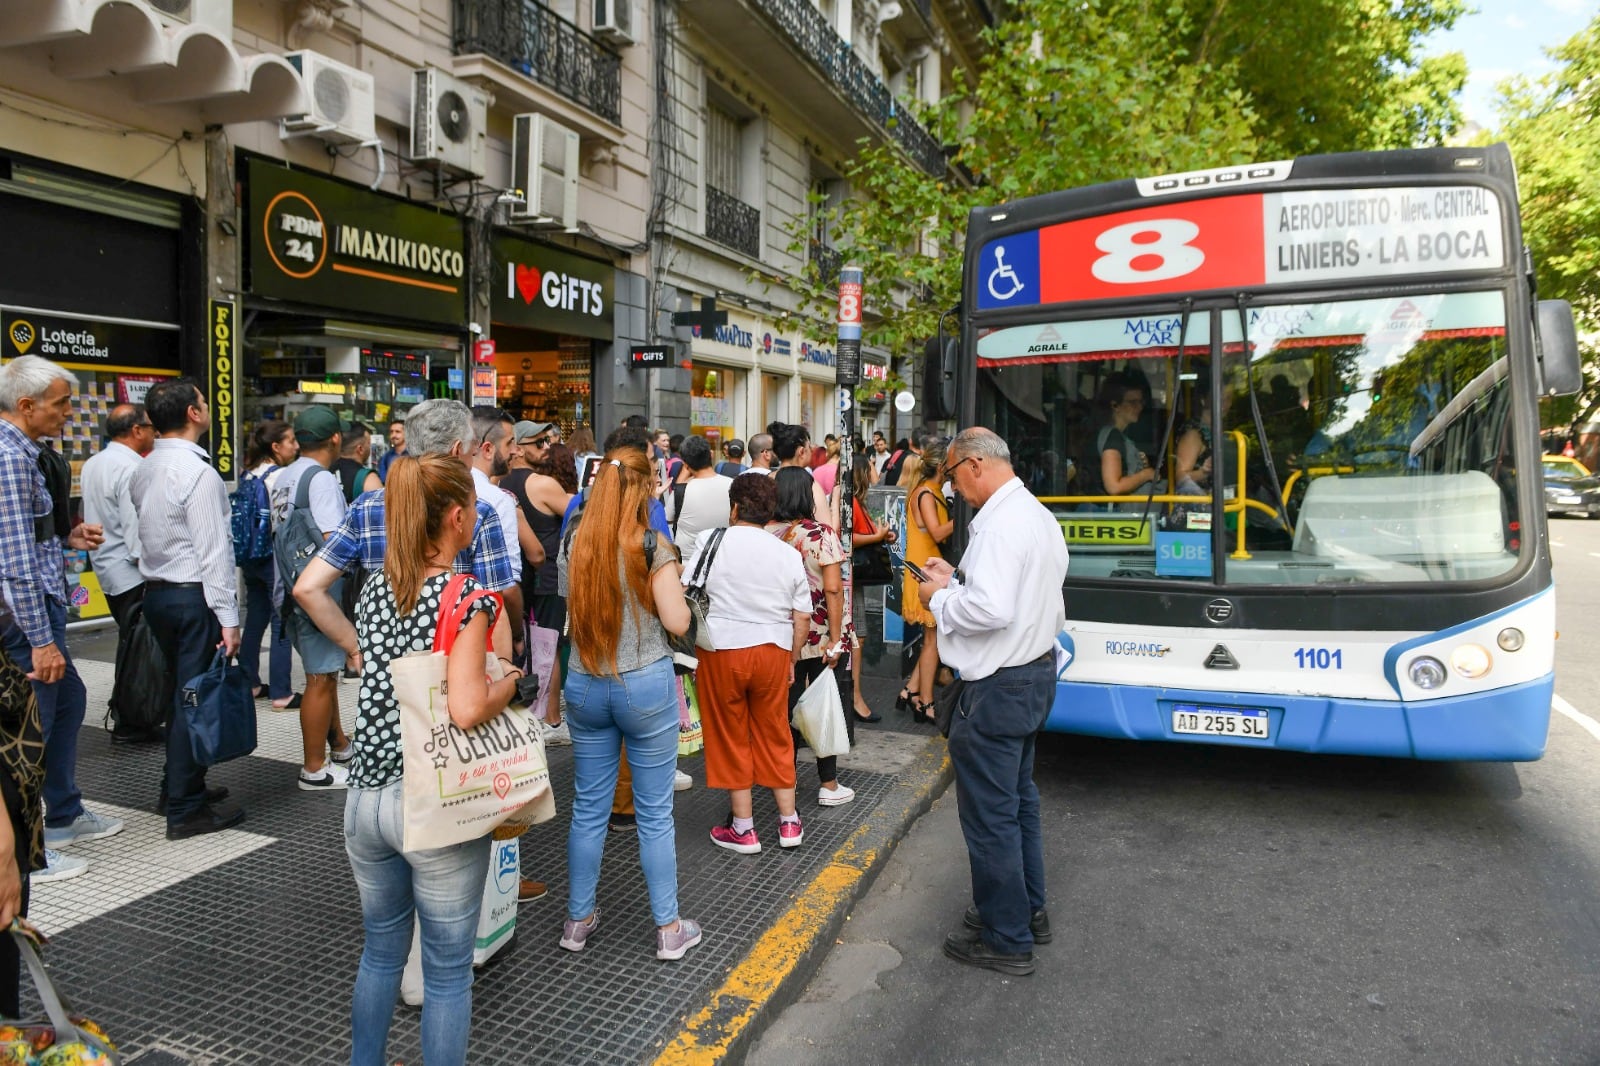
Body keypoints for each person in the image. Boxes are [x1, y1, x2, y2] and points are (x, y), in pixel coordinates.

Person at [337, 454, 524, 1066]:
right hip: (432, 803)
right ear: (454, 517)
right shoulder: (467, 594)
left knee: (380, 953)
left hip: (365, 798)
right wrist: (510, 684)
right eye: (470, 510)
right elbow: (468, 707)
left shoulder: (374, 589)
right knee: (445, 973)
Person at [917, 428, 1070, 977]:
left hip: (998, 686)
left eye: (954, 475)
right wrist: (956, 580)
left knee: (991, 816)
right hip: (1030, 675)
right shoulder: (1034, 515)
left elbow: (992, 609)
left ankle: (1007, 938)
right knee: (1017, 801)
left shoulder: (1004, 525)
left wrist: (938, 597)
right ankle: (1027, 912)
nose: (953, 488)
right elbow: (1017, 597)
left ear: (976, 465)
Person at [557, 448, 702, 959]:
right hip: (644, 684)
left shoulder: (576, 541)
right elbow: (679, 622)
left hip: (584, 683)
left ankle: (577, 921)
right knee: (655, 814)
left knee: (589, 809)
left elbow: (566, 608)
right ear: (643, 489)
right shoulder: (651, 544)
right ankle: (668, 929)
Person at [0, 356, 119, 881]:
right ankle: (25, 852)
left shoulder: (29, 452)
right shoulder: (9, 456)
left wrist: (68, 538)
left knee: (68, 702)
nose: (70, 413)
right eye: (62, 403)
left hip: (40, 609)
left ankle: (63, 814)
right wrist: (41, 638)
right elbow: (15, 564)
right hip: (23, 620)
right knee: (29, 727)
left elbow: (27, 538)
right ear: (26, 406)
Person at [129, 377, 245, 840]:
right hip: (192, 594)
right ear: (194, 414)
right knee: (192, 698)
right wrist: (229, 617)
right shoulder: (199, 473)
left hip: (157, 593)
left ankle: (177, 785)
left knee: (183, 693)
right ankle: (185, 808)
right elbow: (213, 551)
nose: (207, 406)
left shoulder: (145, 468)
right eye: (203, 401)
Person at [686, 474, 810, 854]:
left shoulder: (711, 541)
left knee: (730, 734)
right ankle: (789, 823)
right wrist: (790, 659)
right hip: (773, 650)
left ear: (735, 507)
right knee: (775, 732)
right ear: (770, 511)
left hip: (721, 651)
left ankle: (744, 828)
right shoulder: (787, 553)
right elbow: (802, 617)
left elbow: (686, 590)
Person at [272, 407, 355, 790]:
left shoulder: (283, 476)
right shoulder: (320, 479)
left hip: (288, 587)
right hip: (316, 591)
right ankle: (314, 768)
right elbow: (331, 540)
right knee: (320, 678)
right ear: (335, 438)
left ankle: (339, 745)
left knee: (324, 671)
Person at [768, 468, 855, 807]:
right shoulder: (820, 534)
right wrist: (837, 639)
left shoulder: (766, 533)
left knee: (784, 709)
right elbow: (832, 588)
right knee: (823, 706)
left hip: (782, 634)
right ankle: (828, 784)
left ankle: (784, 780)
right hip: (819, 634)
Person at [79, 402, 155, 742]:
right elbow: (135, 531)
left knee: (129, 645)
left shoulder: (94, 463)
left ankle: (129, 713)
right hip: (131, 573)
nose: (154, 432)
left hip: (106, 570)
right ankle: (133, 719)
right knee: (138, 652)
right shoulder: (133, 468)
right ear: (136, 431)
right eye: (150, 427)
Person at [501, 431, 575, 746]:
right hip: (546, 575)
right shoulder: (541, 484)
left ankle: (525, 714)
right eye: (539, 443)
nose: (546, 448)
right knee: (550, 647)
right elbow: (582, 513)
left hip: (515, 579)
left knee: (520, 647)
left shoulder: (498, 485)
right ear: (518, 448)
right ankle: (552, 720)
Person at [468, 407, 534, 664]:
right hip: (488, 633)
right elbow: (507, 587)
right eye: (510, 444)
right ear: (486, 449)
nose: (516, 452)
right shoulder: (498, 501)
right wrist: (517, 634)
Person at [240, 421, 297, 708]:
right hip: (272, 556)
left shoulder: (248, 474)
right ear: (275, 447)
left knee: (255, 618)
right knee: (281, 620)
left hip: (251, 556)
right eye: (290, 441)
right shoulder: (280, 476)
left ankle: (250, 682)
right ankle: (281, 692)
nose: (295, 446)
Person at [899, 441, 952, 725]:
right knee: (933, 641)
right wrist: (967, 516)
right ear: (943, 466)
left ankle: (910, 691)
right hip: (927, 572)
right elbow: (939, 533)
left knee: (931, 640)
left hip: (925, 570)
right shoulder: (927, 494)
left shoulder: (924, 491)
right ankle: (926, 701)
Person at [845, 456, 895, 722]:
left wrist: (880, 535)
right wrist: (877, 537)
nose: (876, 471)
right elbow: (847, 537)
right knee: (857, 636)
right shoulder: (850, 502)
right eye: (871, 467)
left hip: (856, 577)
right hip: (852, 577)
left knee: (858, 636)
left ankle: (853, 695)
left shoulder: (855, 501)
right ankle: (853, 697)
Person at [1087, 374, 1159, 508]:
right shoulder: (1113, 437)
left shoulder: (1115, 435)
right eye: (1133, 402)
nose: (1139, 407)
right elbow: (1114, 486)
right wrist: (1146, 474)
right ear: (1115, 406)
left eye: (1141, 402)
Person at [667, 435, 732, 557]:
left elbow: (668, 518)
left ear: (686, 465)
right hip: (722, 556)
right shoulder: (732, 485)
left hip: (688, 563)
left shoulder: (680, 491)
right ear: (711, 455)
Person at [769, 422, 836, 529]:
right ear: (801, 451)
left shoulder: (766, 481)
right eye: (809, 447)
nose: (812, 450)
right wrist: (836, 502)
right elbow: (826, 530)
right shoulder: (810, 485)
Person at [334, 420, 383, 502]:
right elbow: (380, 512)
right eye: (368, 443)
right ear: (360, 449)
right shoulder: (368, 479)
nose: (370, 447)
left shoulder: (324, 471)